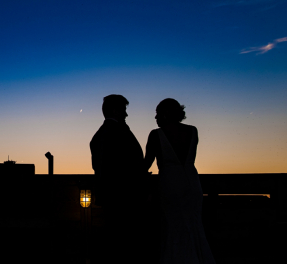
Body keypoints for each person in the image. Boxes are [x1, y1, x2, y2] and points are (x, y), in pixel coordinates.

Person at [144, 98, 215, 264]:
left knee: (172, 226)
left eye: (157, 114)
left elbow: (146, 163)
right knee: (193, 224)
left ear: (166, 114)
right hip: (191, 181)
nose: (155, 118)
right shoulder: (193, 131)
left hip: (170, 183)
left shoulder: (156, 134)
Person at [90, 94, 149, 263]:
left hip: (116, 197)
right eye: (124, 110)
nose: (126, 114)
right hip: (125, 198)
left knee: (117, 241)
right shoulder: (116, 133)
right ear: (115, 111)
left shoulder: (100, 135)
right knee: (124, 243)